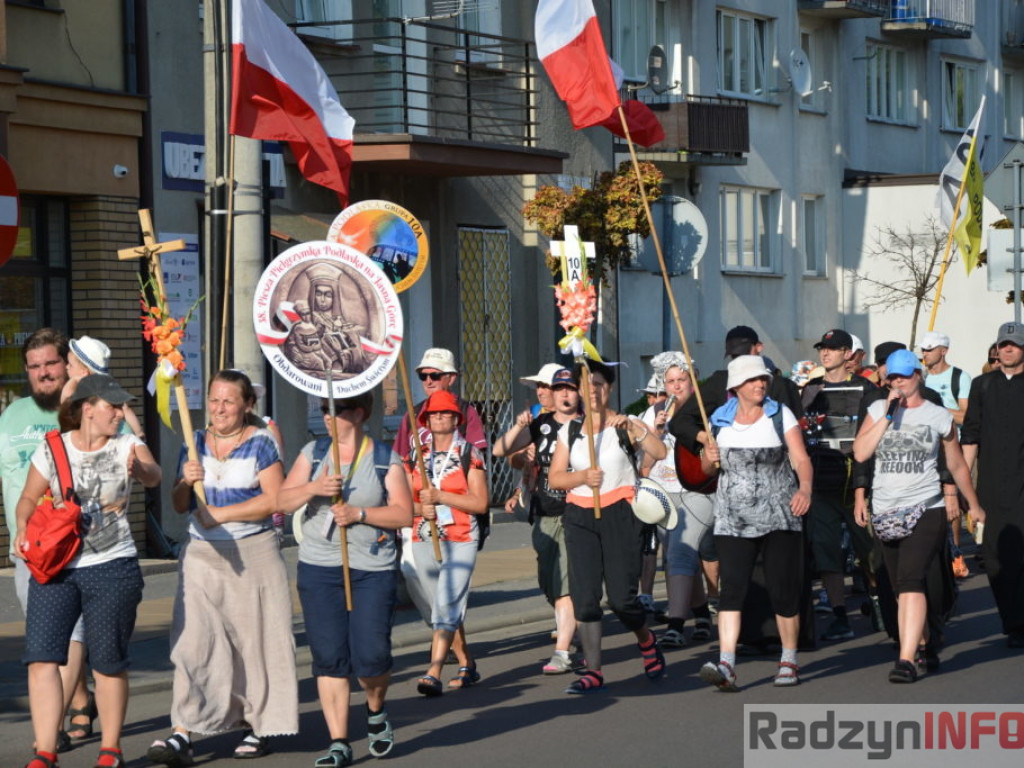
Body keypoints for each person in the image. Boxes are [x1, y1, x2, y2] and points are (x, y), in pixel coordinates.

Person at [15, 374, 161, 768]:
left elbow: (154, 475)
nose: (119, 412)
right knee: (43, 658)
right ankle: (45, 749)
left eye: (122, 406)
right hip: (58, 566)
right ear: (86, 409)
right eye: (112, 406)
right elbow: (28, 497)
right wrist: (23, 527)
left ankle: (110, 749)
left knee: (108, 661)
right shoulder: (53, 448)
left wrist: (140, 471)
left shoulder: (127, 444)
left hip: (113, 566)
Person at [148, 370, 293, 765]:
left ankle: (257, 724)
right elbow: (180, 504)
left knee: (252, 643)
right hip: (201, 553)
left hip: (253, 552)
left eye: (229, 401)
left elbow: (276, 499)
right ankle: (183, 730)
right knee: (193, 643)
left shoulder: (262, 443)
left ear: (247, 405)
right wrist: (184, 481)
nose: (219, 408)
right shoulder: (194, 442)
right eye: (214, 399)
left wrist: (223, 512)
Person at [277, 391, 413, 766]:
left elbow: (404, 514)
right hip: (319, 567)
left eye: (334, 410)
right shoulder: (313, 454)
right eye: (322, 410)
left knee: (371, 657)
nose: (326, 417)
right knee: (329, 658)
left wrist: (359, 514)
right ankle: (338, 741)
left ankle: (375, 710)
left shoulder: (386, 459)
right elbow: (281, 501)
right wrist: (313, 489)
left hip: (371, 569)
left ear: (359, 413)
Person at [853, 350, 985, 682]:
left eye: (905, 376)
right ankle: (926, 643)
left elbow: (955, 464)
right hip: (886, 508)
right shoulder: (876, 410)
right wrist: (886, 415)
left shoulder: (938, 415)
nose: (899, 382)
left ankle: (906, 660)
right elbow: (860, 453)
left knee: (911, 579)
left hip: (927, 506)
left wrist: (973, 503)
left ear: (918, 376)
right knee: (901, 587)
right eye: (893, 378)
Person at [547, 360, 668, 694]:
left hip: (620, 512)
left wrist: (637, 427)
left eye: (599, 384)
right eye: (586, 385)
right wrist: (582, 477)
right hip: (579, 516)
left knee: (621, 599)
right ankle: (594, 671)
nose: (593, 390)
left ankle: (646, 640)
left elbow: (659, 451)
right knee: (585, 599)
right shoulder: (569, 431)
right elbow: (555, 477)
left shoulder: (622, 425)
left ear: (609, 388)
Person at [0, 328, 95, 752]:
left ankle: (49, 726)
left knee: (70, 634)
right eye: (34, 367)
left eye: (51, 364)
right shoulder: (10, 416)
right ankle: (80, 699)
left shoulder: (84, 410)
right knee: (46, 639)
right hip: (29, 550)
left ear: (66, 364)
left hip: (78, 547)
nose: (43, 373)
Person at [696, 356, 812, 691]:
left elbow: (801, 458)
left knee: (782, 589)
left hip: (779, 514)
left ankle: (789, 658)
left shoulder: (779, 414)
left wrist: (804, 488)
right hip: (733, 518)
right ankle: (727, 664)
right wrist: (708, 458)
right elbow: (707, 472)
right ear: (736, 387)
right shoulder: (718, 422)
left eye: (762, 379)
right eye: (751, 380)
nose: (759, 384)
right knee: (732, 590)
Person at [494, 367, 581, 674]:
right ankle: (577, 624)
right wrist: (518, 430)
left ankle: (562, 652)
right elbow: (500, 450)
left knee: (564, 585)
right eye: (557, 389)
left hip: (574, 510)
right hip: (541, 511)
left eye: (568, 388)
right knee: (549, 583)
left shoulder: (585, 424)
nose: (562, 393)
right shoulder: (540, 423)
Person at [405, 390, 489, 696]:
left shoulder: (470, 453)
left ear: (457, 419)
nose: (440, 417)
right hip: (423, 536)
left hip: (461, 537)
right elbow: (402, 501)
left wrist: (441, 497)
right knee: (439, 607)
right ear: (426, 420)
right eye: (434, 414)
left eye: (446, 413)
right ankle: (467, 662)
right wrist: (419, 509)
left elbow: (480, 503)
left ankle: (434, 669)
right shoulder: (416, 455)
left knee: (447, 603)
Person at [801, 328, 877, 641]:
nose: (825, 353)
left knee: (871, 552)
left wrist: (866, 484)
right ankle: (839, 616)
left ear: (848, 354)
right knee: (826, 553)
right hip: (821, 484)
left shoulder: (867, 389)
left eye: (832, 349)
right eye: (823, 348)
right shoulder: (809, 389)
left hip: (858, 484)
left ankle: (880, 602)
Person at [640, 352, 714, 647]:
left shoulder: (704, 410)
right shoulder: (655, 412)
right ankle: (701, 614)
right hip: (663, 493)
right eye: (670, 381)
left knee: (679, 554)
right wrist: (656, 431)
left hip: (698, 489)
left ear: (692, 381)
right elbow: (645, 463)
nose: (676, 386)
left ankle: (675, 623)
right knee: (679, 558)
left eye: (682, 379)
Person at [961, 321, 1024, 649]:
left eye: (1014, 344)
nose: (1008, 349)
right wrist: (958, 483)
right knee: (996, 558)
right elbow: (970, 435)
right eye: (1003, 344)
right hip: (990, 487)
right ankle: (1012, 621)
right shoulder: (982, 385)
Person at [919, 330, 973, 579]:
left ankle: (955, 553)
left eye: (929, 349)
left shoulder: (960, 377)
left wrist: (938, 411)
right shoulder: (919, 379)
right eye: (923, 350)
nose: (925, 354)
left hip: (953, 447)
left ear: (944, 350)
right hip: (925, 450)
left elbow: (967, 416)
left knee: (952, 505)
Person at [62, 335, 145, 440]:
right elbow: (126, 408)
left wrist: (72, 381)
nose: (66, 367)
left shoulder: (78, 390)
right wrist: (139, 433)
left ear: (84, 373)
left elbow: (64, 403)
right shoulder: (107, 388)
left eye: (70, 365)